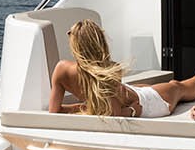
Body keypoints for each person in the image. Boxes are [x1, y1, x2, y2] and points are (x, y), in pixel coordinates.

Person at [48, 19, 176, 118]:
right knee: (178, 87)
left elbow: (54, 110)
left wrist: (86, 108)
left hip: (137, 95)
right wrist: (133, 111)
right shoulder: (110, 70)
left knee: (172, 86)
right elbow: (115, 113)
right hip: (145, 102)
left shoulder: (61, 69)